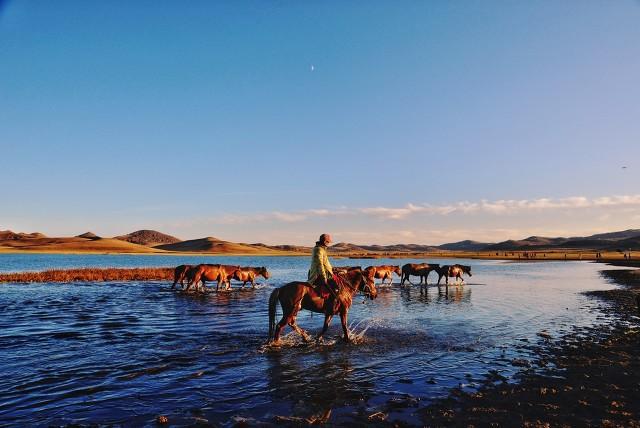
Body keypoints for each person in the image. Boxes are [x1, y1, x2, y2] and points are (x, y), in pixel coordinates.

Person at [308, 233, 343, 308]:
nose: (329, 244)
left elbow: (325, 264)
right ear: (325, 242)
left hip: (325, 272)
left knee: (339, 280)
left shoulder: (321, 249)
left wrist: (334, 269)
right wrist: (324, 277)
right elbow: (320, 265)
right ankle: (332, 307)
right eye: (328, 242)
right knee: (337, 286)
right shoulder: (319, 250)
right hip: (319, 274)